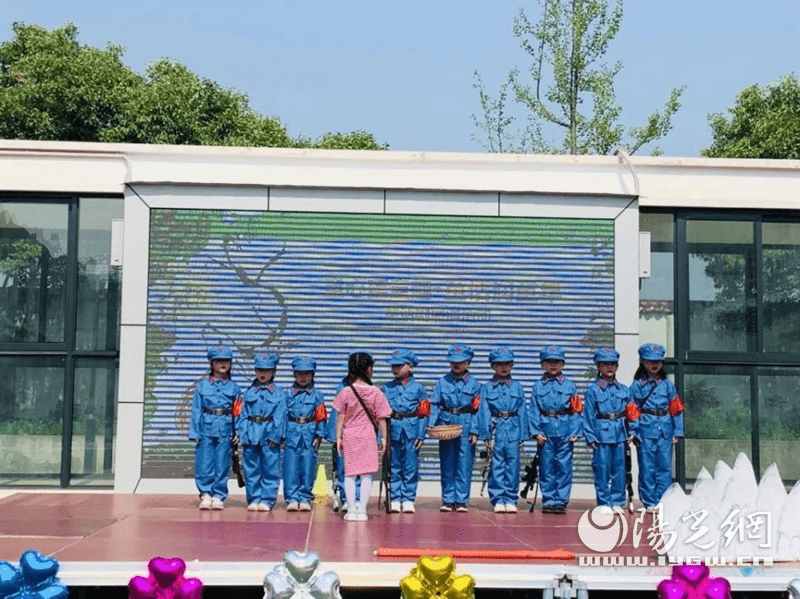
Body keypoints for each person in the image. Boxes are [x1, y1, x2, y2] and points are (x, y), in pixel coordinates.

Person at [333, 351, 392, 522]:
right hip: (368, 435)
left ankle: (351, 509)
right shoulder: (376, 392)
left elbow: (340, 417)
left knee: (350, 473)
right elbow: (382, 417)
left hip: (349, 434)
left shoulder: (345, 391)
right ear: (369, 369)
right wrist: (384, 438)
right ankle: (363, 510)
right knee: (367, 473)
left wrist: (338, 437)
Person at [629, 342, 684, 512]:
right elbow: (632, 410)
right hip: (645, 430)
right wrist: (634, 431)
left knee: (664, 467)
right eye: (650, 361)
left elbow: (676, 409)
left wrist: (678, 431)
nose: (654, 365)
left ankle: (663, 501)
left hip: (665, 429)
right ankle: (649, 502)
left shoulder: (668, 385)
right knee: (647, 468)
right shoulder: (636, 386)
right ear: (642, 362)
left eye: (658, 361)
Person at [430, 343, 485, 512]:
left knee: (464, 462)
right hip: (447, 423)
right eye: (453, 361)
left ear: (468, 363)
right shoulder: (442, 382)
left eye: (461, 362)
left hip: (467, 422)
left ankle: (461, 500)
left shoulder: (476, 384)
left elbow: (478, 409)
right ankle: (447, 499)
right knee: (447, 462)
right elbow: (434, 404)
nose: (457, 365)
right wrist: (431, 425)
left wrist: (475, 431)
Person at [528, 345, 583, 514]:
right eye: (549, 362)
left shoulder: (570, 386)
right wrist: (536, 432)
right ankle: (549, 499)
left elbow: (576, 410)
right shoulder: (538, 386)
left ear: (563, 364)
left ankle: (561, 500)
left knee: (564, 468)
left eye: (557, 362)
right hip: (545, 432)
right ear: (543, 364)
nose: (553, 365)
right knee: (546, 467)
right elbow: (533, 410)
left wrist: (575, 431)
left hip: (565, 431)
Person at [189, 342, 242, 510]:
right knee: (204, 462)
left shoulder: (234, 387)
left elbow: (238, 411)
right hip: (206, 427)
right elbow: (196, 409)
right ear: (212, 364)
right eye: (218, 361)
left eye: (226, 361)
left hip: (225, 427)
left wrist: (238, 431)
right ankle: (205, 493)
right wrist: (194, 431)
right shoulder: (202, 386)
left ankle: (219, 495)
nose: (223, 364)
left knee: (222, 462)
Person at [582, 347, 632, 515]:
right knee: (602, 468)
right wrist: (590, 436)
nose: (609, 368)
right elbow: (588, 414)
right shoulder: (593, 390)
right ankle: (603, 501)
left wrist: (633, 431)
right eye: (605, 364)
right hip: (601, 433)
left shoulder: (624, 390)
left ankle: (617, 500)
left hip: (620, 433)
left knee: (619, 469)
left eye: (613, 364)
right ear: (598, 367)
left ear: (617, 367)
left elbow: (632, 413)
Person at [479, 345, 528, 513]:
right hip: (497, 428)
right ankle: (498, 498)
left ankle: (511, 498)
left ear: (512, 365)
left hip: (513, 427)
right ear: (493, 366)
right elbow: (484, 411)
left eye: (507, 363)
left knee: (513, 465)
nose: (503, 367)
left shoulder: (517, 386)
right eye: (499, 364)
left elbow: (522, 411)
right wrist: (485, 433)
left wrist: (523, 434)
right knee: (497, 464)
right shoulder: (487, 387)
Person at [236, 353, 287, 511]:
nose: (263, 374)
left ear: (273, 372)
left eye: (267, 370)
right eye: (259, 370)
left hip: (269, 433)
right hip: (251, 433)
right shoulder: (249, 392)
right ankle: (254, 498)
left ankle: (267, 499)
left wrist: (276, 435)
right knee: (251, 468)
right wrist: (242, 433)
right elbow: (243, 414)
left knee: (270, 468)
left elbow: (281, 415)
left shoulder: (279, 393)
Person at [382, 349, 430, 514]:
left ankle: (408, 499)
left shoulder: (419, 389)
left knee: (410, 466)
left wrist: (421, 434)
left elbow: (424, 413)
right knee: (394, 465)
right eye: (393, 366)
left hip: (411, 429)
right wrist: (381, 436)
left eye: (399, 366)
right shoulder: (386, 388)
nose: (395, 369)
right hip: (392, 429)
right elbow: (379, 414)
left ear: (410, 367)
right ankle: (395, 498)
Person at [283, 355, 327, 511]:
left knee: (308, 466)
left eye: (307, 373)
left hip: (309, 433)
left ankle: (305, 496)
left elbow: (321, 416)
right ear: (294, 374)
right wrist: (282, 435)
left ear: (313, 374)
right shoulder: (287, 394)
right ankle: (292, 498)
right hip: (292, 433)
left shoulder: (317, 395)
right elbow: (282, 416)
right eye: (299, 373)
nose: (303, 377)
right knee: (290, 466)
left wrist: (320, 434)